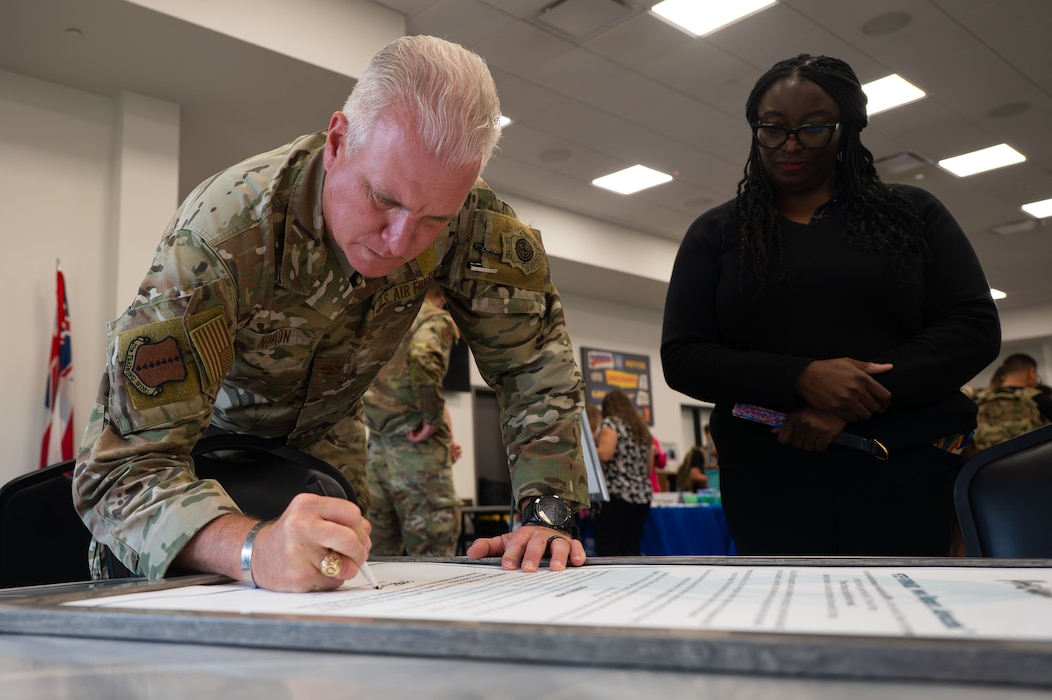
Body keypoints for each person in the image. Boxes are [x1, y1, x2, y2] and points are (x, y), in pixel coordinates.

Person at [73, 35, 590, 592]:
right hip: (194, 466)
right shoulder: (222, 239)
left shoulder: (470, 219)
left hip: (327, 457)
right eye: (384, 200)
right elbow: (119, 475)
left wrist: (546, 516)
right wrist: (251, 547)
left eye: (433, 221)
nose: (400, 243)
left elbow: (533, 364)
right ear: (339, 140)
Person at [661, 54, 1001, 557]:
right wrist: (800, 378)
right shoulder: (718, 233)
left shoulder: (911, 214)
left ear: (848, 129)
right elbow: (685, 355)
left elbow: (972, 328)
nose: (790, 145)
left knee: (904, 619)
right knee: (787, 619)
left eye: (813, 128)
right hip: (767, 477)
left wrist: (854, 400)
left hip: (902, 468)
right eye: (772, 129)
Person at [364, 286, 462, 556]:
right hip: (417, 453)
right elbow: (423, 359)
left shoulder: (379, 320)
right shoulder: (433, 318)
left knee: (378, 556)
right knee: (432, 552)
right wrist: (432, 420)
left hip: (375, 453)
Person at [593, 390, 654, 555]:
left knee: (609, 547)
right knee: (632, 548)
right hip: (642, 495)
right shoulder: (641, 429)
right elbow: (649, 468)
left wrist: (589, 451)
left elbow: (605, 453)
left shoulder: (610, 424)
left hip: (617, 494)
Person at [971, 353, 1052, 452]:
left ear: (1004, 375)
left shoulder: (978, 399)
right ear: (1031, 372)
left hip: (984, 463)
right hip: (1030, 462)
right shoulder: (1038, 399)